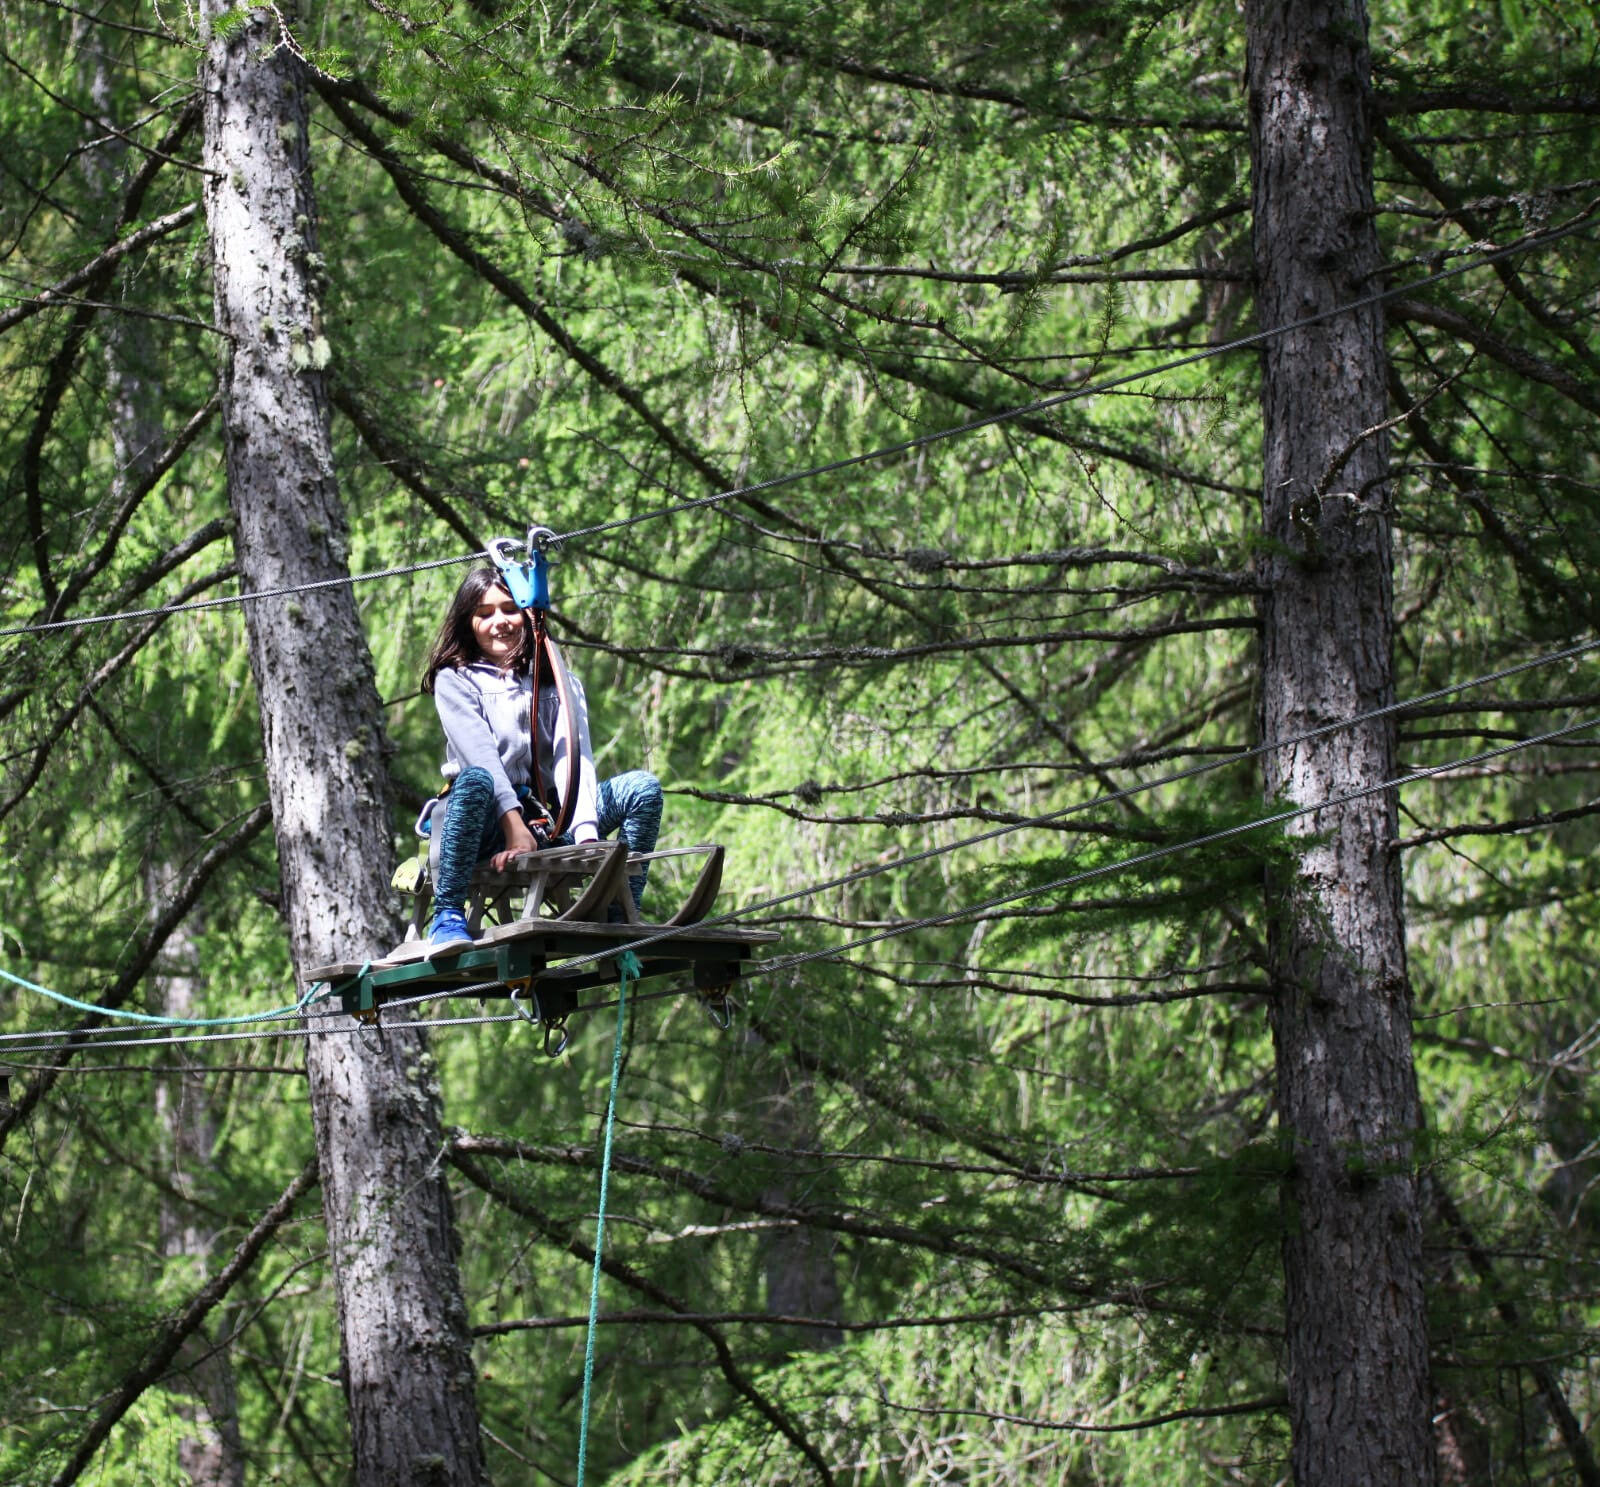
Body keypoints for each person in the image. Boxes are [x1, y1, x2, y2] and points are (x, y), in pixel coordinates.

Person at [418, 566, 663, 951]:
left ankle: (618, 906)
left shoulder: (557, 681)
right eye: (484, 614)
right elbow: (480, 755)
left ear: (527, 615)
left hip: (545, 817)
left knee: (641, 789)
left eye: (509, 609)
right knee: (476, 779)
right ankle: (447, 913)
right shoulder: (455, 679)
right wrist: (513, 824)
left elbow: (573, 756)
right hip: (483, 818)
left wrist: (585, 834)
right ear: (469, 623)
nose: (499, 622)